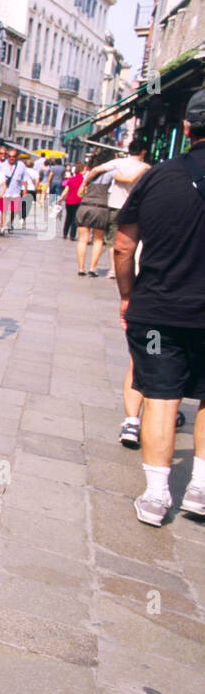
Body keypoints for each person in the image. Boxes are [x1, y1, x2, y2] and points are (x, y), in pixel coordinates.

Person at [111, 88, 205, 526]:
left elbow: (123, 247)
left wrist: (128, 296)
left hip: (157, 313)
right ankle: (200, 490)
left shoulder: (157, 176)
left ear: (187, 129)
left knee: (161, 398)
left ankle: (156, 494)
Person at [85, 140, 151, 279]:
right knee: (132, 239)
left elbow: (96, 169)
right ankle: (129, 268)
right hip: (136, 207)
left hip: (115, 204)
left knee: (112, 239)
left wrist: (85, 183)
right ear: (143, 151)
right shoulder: (146, 168)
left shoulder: (119, 162)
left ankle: (113, 269)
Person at [74, 163, 113, 276]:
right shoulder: (109, 175)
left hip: (85, 206)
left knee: (82, 240)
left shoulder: (87, 177)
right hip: (101, 208)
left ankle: (81, 268)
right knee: (98, 240)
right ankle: (92, 268)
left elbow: (79, 193)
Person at [1, 148, 29, 234]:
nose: (11, 158)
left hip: (16, 191)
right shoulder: (2, 165)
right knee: (3, 210)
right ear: (7, 157)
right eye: (9, 156)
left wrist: (25, 190)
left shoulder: (21, 165)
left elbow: (25, 178)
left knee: (14, 210)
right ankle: (2, 226)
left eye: (13, 156)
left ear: (16, 157)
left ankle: (10, 223)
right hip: (5, 191)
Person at [62, 163, 84, 240]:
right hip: (78, 201)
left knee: (68, 217)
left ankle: (65, 233)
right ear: (81, 171)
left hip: (69, 201)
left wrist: (61, 199)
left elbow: (66, 190)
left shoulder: (71, 179)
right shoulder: (83, 180)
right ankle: (72, 235)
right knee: (75, 218)